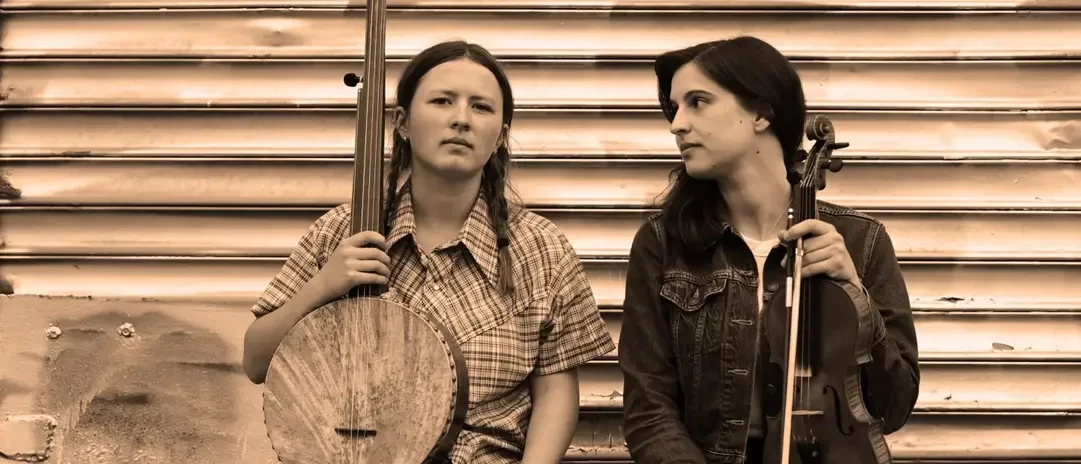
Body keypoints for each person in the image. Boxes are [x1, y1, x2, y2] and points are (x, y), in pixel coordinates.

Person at [241, 40, 615, 464]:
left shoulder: (541, 249)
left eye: (481, 107)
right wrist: (323, 286)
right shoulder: (341, 231)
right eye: (442, 101)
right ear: (402, 122)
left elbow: (555, 392)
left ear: (501, 136)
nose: (460, 119)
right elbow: (256, 362)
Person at [616, 36, 921, 464]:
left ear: (761, 113)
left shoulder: (858, 239)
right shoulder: (662, 242)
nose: (676, 124)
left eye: (698, 102)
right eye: (674, 108)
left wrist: (855, 297)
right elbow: (649, 411)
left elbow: (894, 408)